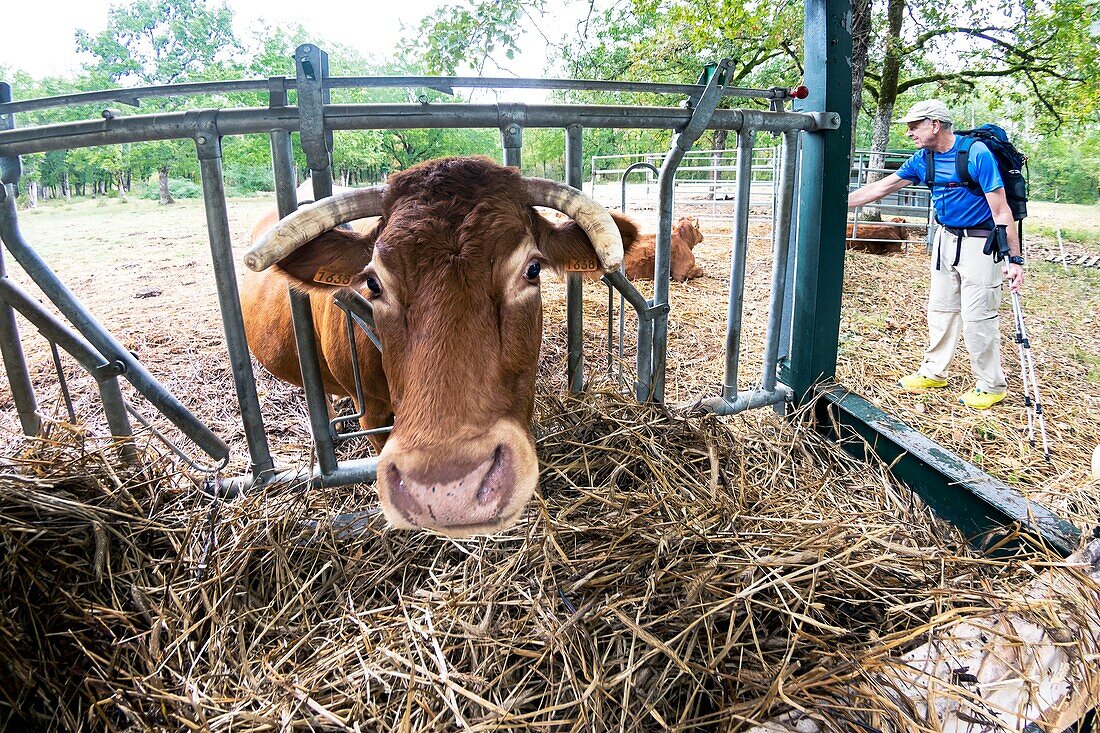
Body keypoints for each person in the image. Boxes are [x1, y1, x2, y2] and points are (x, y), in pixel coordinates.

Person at [847, 100, 1025, 410]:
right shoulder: (923, 159)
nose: (909, 132)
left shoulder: (976, 155)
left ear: (934, 125)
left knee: (977, 317)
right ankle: (934, 372)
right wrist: (836, 203)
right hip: (945, 240)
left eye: (914, 125)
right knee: (941, 310)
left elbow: (1001, 209)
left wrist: (1014, 258)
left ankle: (991, 384)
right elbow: (880, 189)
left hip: (981, 243)